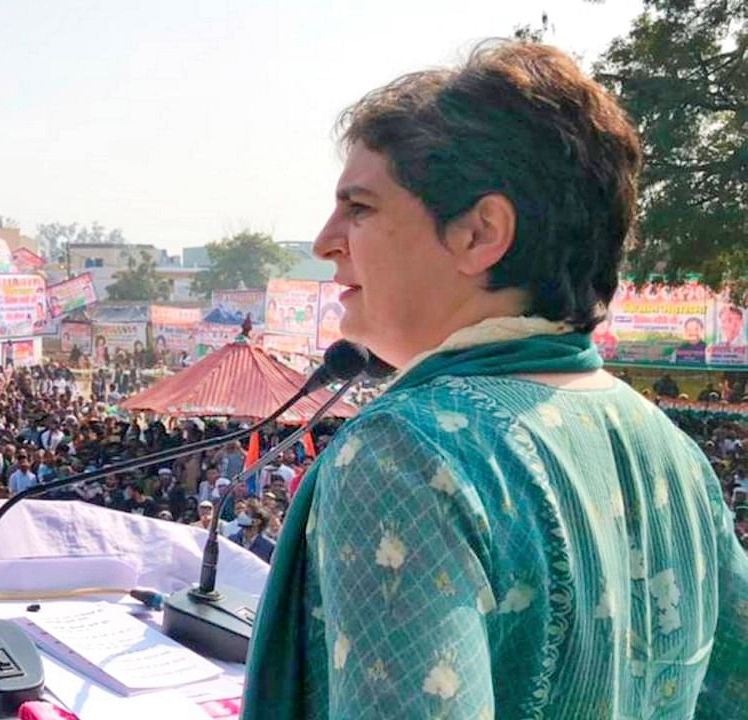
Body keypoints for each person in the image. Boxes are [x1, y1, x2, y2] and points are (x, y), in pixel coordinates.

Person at [243, 41, 748, 718]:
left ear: (480, 234)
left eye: (359, 208)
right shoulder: (672, 450)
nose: (325, 240)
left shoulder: (406, 455)